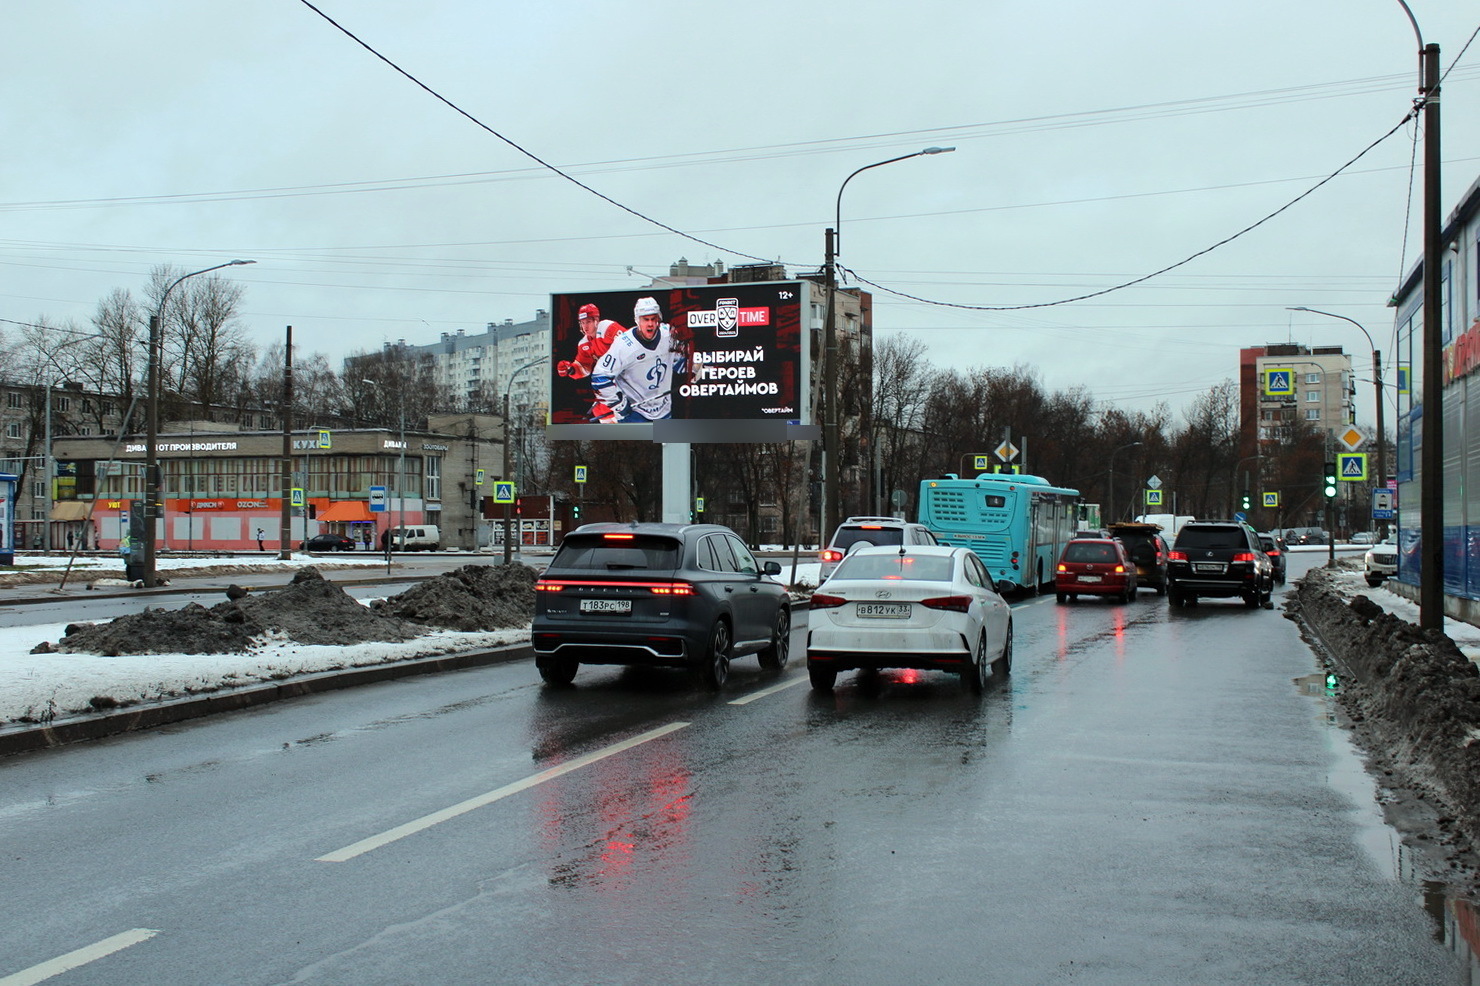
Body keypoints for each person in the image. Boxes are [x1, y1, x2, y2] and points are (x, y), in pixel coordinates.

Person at [590, 296, 690, 423]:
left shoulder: (669, 335)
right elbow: (600, 378)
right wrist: (620, 405)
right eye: (646, 319)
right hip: (634, 415)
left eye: (653, 319)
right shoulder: (624, 345)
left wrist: (694, 369)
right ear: (637, 320)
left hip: (664, 412)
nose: (650, 324)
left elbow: (679, 363)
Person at [557, 303, 626, 380]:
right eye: (583, 323)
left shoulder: (607, 327)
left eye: (588, 322)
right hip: (617, 377)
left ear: (596, 320)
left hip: (631, 368)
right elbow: (584, 367)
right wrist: (571, 370)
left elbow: (628, 345)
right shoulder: (583, 344)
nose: (585, 326)